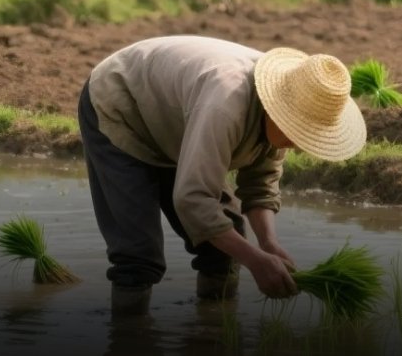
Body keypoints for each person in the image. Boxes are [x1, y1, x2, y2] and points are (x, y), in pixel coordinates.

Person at [76, 35, 367, 315]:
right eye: (299, 131)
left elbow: (260, 185)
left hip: (177, 121)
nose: (299, 144)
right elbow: (193, 200)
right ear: (277, 110)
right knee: (138, 256)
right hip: (121, 106)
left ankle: (213, 329)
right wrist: (255, 260)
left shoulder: (285, 106)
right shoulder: (225, 105)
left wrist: (267, 244)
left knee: (225, 248)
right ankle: (130, 338)